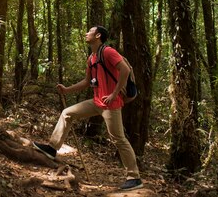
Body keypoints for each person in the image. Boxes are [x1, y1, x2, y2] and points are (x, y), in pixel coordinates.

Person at [33, 25, 143, 191]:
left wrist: (114, 94)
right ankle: (52, 148)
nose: (86, 33)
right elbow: (86, 82)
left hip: (110, 105)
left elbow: (125, 70)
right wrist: (66, 89)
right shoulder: (92, 58)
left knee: (119, 139)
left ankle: (134, 177)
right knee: (67, 113)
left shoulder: (108, 52)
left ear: (97, 35)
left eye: (89, 31)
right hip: (96, 101)